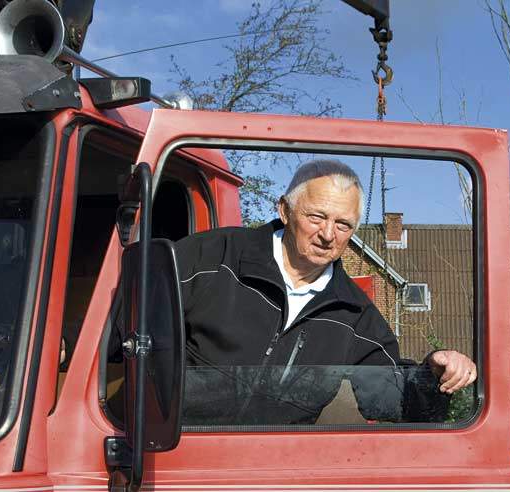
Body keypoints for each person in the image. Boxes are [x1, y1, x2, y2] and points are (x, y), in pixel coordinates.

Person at [175, 159, 477, 425]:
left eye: (343, 224)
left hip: (272, 470)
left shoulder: (354, 314)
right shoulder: (212, 258)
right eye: (316, 217)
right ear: (285, 210)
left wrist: (434, 374)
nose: (328, 234)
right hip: (176, 454)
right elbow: (138, 332)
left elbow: (396, 399)